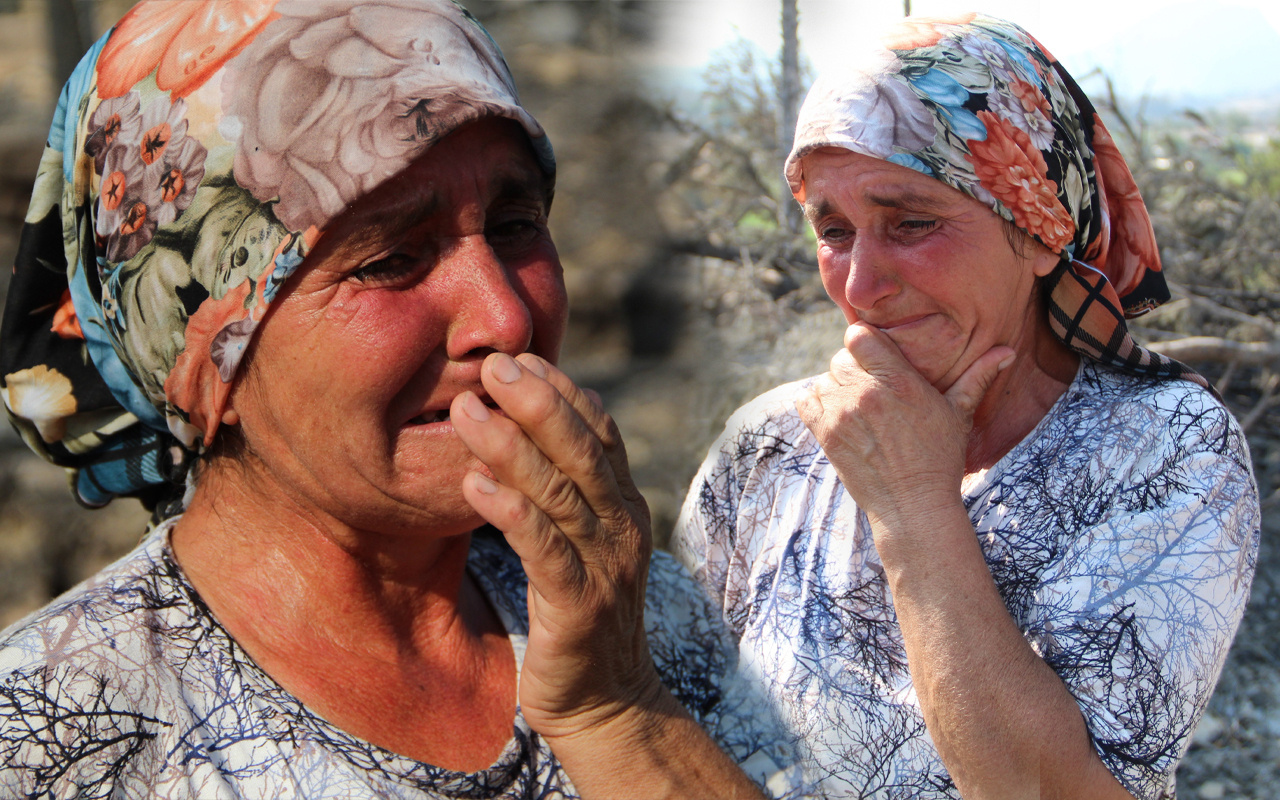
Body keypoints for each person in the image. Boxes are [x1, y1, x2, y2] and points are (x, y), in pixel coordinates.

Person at [0, 2, 801, 797]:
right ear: (205, 351)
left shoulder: (653, 623)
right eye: (389, 260)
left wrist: (620, 712)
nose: (505, 317)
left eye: (516, 222)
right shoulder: (59, 734)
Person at [674, 13, 1260, 800]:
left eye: (912, 222)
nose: (858, 286)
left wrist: (913, 507)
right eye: (834, 229)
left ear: (1040, 229)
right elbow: (667, 721)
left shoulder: (1163, 451)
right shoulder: (770, 446)